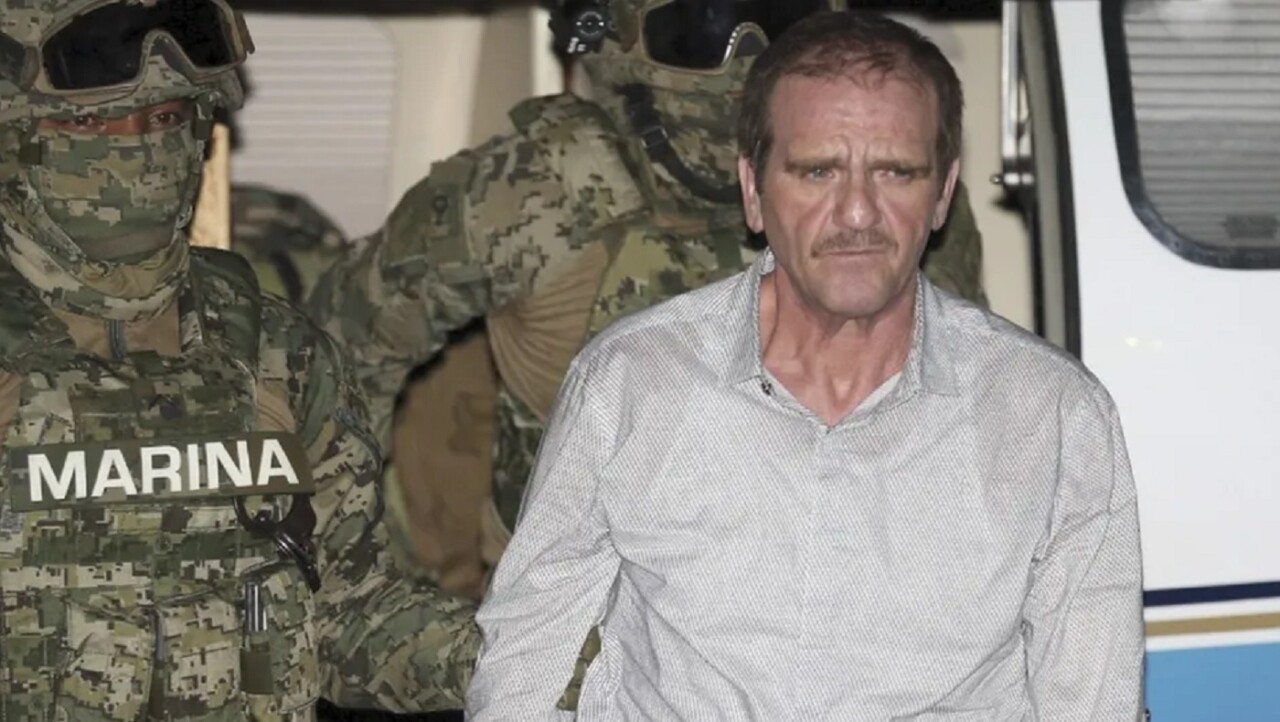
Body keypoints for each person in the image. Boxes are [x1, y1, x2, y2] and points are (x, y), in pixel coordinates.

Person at [467, 10, 1145, 720]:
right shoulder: (631, 384)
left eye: (895, 172)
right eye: (818, 171)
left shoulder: (1052, 417)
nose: (857, 213)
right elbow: (522, 668)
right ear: (753, 191)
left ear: (943, 194)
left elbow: (1092, 703)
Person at [307, 0, 989, 600]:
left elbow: (970, 423)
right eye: (704, 25)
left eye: (779, 16)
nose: (746, 57)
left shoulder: (901, 206)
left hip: (850, 617)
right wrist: (363, 594)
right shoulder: (542, 190)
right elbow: (334, 351)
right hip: (587, 637)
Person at [0, 0, 476, 718]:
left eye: (166, 119)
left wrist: (535, 659)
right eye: (93, 126)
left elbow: (349, 616)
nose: (142, 150)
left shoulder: (278, 351)